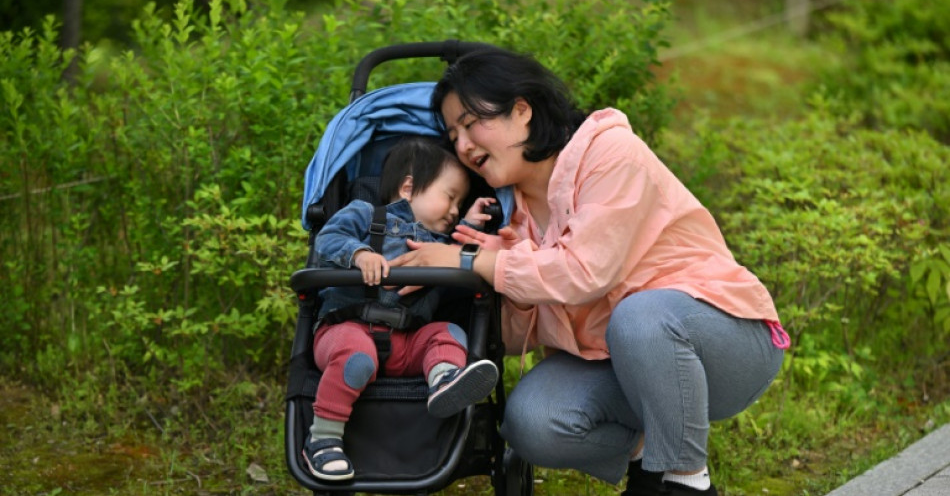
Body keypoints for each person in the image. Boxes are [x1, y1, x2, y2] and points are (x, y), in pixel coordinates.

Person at [388, 49, 790, 495]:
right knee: (532, 422)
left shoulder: (609, 153)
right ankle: (645, 461)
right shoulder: (509, 216)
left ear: (522, 110)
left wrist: (473, 262)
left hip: (725, 342)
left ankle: (684, 479)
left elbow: (584, 273)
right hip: (623, 366)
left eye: (470, 123)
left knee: (640, 317)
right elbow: (520, 339)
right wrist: (503, 281)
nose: (462, 145)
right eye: (453, 134)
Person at [302, 136, 500, 482]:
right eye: (450, 197)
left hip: (405, 342)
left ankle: (443, 380)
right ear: (408, 188)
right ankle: (323, 439)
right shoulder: (364, 215)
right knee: (356, 355)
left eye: (459, 203)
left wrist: (469, 222)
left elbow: (457, 249)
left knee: (449, 333)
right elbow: (327, 239)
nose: (454, 209)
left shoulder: (438, 244)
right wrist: (359, 254)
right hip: (346, 329)